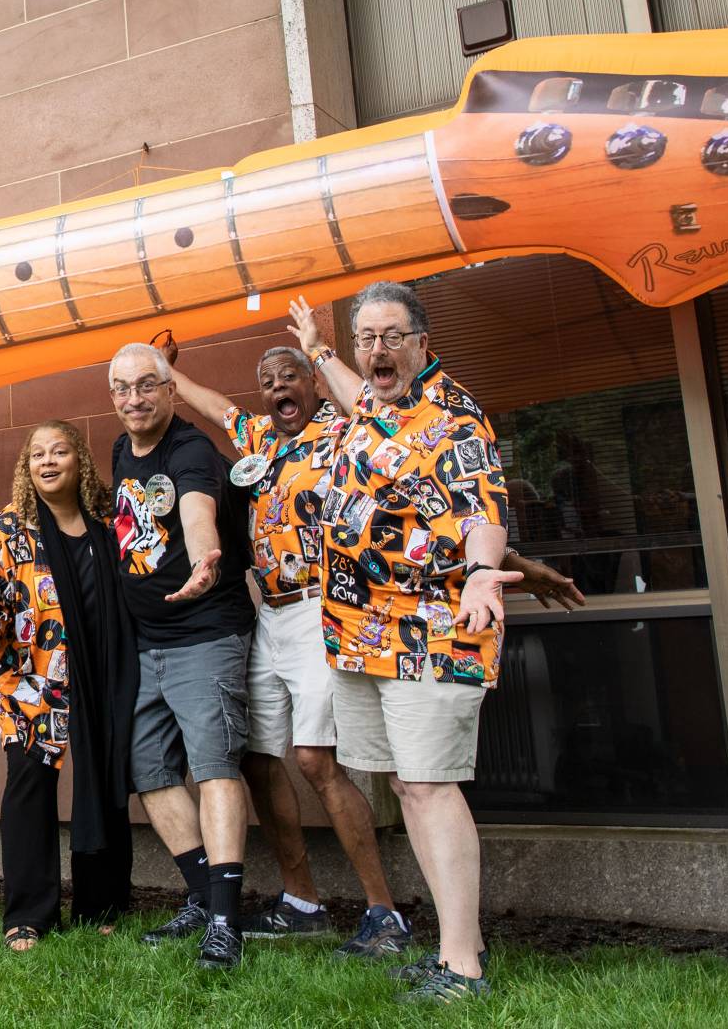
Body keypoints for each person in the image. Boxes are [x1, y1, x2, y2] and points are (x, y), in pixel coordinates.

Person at [160, 301, 583, 956]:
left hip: (377, 618)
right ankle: (334, 910)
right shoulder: (301, 430)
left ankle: (409, 927)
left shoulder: (389, 419)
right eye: (367, 339)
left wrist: (495, 566)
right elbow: (222, 407)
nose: (276, 386)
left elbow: (471, 500)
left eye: (289, 374)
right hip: (315, 620)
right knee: (324, 769)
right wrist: (169, 370)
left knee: (359, 768)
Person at [313, 280, 520, 1003]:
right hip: (362, 632)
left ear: (422, 344)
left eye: (391, 337)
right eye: (367, 337)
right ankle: (455, 949)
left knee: (431, 786)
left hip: (431, 628)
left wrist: (484, 574)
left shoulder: (454, 416)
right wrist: (318, 349)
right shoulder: (376, 399)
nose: (376, 349)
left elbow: (483, 505)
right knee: (406, 784)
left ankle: (462, 968)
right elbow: (349, 390)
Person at [0, 421, 137, 952]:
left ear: (80, 461)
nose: (48, 462)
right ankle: (28, 913)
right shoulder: (10, 529)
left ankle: (103, 901)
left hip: (101, 674)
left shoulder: (106, 523)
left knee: (104, 778)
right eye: (37, 455)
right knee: (29, 784)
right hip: (30, 679)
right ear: (27, 467)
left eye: (60, 452)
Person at [106, 341, 256, 971]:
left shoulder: (190, 450)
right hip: (145, 641)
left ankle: (225, 921)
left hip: (205, 633)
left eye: (147, 385)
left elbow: (198, 510)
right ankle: (201, 896)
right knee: (150, 770)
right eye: (122, 388)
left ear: (170, 390)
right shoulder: (120, 450)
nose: (134, 399)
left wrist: (205, 557)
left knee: (214, 763)